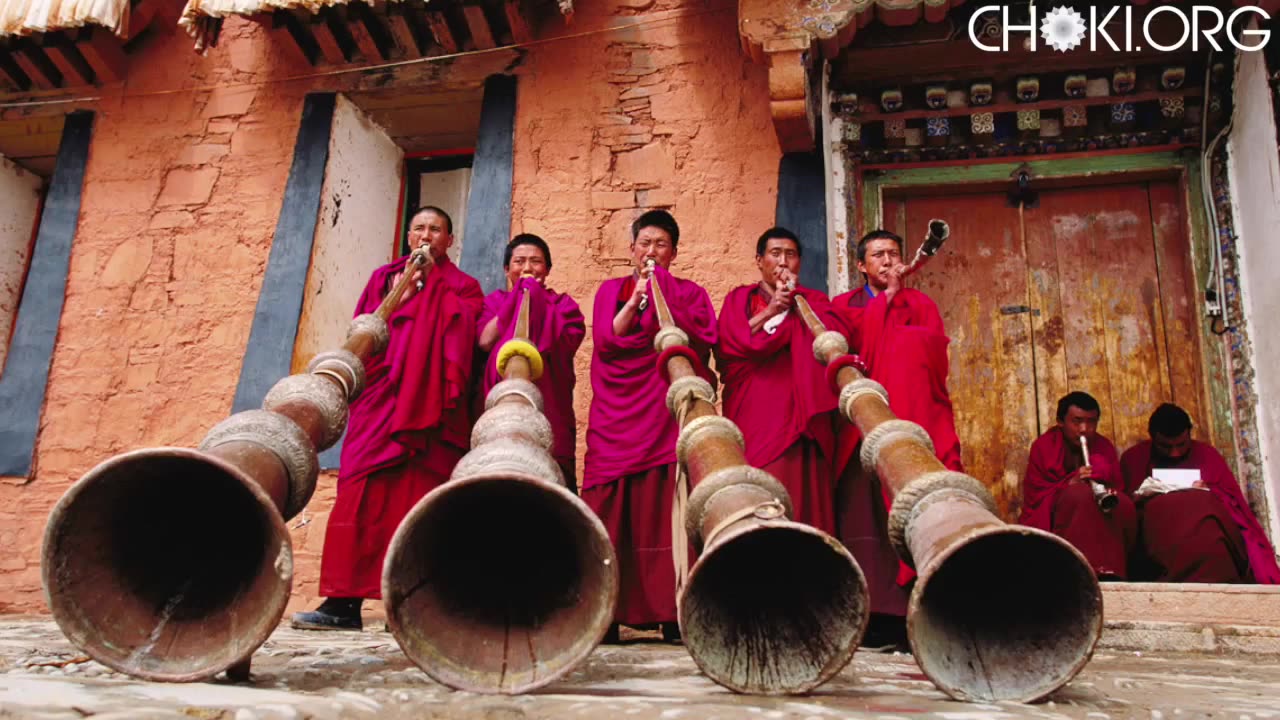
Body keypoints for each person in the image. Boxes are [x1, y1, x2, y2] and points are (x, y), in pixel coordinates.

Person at [292, 206, 484, 630]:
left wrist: (432, 292)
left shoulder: (464, 287)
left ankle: (421, 605)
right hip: (381, 400)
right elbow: (363, 331)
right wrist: (402, 294)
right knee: (358, 493)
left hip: (431, 411)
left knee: (421, 503)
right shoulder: (383, 279)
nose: (426, 236)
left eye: (436, 230)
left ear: (449, 241)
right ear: (408, 236)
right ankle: (342, 603)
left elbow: (468, 336)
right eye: (419, 229)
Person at [583, 210, 717, 642]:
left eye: (661, 245)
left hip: (663, 414)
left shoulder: (691, 293)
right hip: (616, 417)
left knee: (667, 506)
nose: (652, 252)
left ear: (674, 253)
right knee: (609, 506)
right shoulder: (610, 291)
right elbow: (607, 338)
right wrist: (637, 297)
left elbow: (704, 340)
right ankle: (606, 611)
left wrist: (666, 299)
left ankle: (671, 610)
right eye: (645, 244)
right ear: (632, 249)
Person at [829, 229, 963, 644]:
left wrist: (898, 326)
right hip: (861, 429)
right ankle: (870, 618)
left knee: (917, 510)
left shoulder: (921, 304)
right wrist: (883, 304)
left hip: (915, 418)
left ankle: (919, 615)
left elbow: (932, 362)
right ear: (861, 266)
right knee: (865, 523)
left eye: (893, 254)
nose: (887, 262)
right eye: (878, 256)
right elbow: (847, 356)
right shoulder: (843, 306)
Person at [715, 227, 841, 535]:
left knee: (803, 502)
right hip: (755, 418)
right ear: (759, 260)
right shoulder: (739, 300)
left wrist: (797, 305)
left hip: (802, 424)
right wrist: (775, 309)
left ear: (800, 262)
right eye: (775, 254)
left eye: (791, 255)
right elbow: (731, 343)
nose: (782, 262)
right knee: (758, 495)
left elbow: (834, 342)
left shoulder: (815, 302)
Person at [1120, 403, 1280, 584]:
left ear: (1190, 433)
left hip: (1207, 539)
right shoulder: (1133, 458)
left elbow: (1234, 505)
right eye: (1165, 447)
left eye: (1181, 445)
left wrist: (1208, 492)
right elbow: (1127, 512)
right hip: (1161, 540)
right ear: (1152, 437)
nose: (1174, 453)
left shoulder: (1207, 455)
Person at [476, 234, 585, 492]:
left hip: (550, 406)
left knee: (553, 477)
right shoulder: (494, 302)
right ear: (506, 269)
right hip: (502, 405)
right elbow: (485, 341)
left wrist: (536, 301)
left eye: (535, 261)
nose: (527, 268)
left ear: (547, 269)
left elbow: (568, 343)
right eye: (519, 261)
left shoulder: (564, 305)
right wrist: (515, 301)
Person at [1020, 391, 1137, 580]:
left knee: (1123, 503)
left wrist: (1101, 476)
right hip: (1062, 509)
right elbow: (1037, 496)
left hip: (1100, 510)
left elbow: (1118, 487)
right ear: (1060, 421)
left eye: (1091, 422)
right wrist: (1070, 483)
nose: (1084, 429)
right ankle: (1075, 572)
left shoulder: (1103, 446)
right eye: (1077, 421)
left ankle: (1109, 569)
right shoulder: (1044, 447)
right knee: (1079, 496)